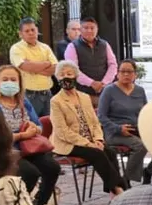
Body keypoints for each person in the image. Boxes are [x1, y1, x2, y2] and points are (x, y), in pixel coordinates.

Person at [0, 65, 61, 205]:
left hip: (28, 148)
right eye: (5, 79)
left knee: (52, 168)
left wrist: (34, 128)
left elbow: (39, 126)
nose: (9, 82)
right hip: (5, 150)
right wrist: (21, 135)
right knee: (30, 173)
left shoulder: (23, 102)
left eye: (13, 79)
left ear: (19, 83)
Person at [50, 61, 125, 196]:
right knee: (97, 154)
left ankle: (113, 192)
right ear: (57, 78)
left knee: (110, 152)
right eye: (62, 75)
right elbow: (62, 132)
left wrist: (98, 140)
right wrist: (89, 144)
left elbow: (95, 122)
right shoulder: (56, 101)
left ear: (76, 76)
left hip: (90, 140)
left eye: (69, 74)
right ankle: (119, 189)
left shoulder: (84, 97)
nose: (66, 77)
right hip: (68, 143)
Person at [98, 59, 152, 185]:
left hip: (136, 128)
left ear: (135, 74)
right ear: (117, 74)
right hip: (114, 131)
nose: (126, 75)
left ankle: (150, 171)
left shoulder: (139, 91)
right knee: (140, 145)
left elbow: (145, 112)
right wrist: (118, 129)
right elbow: (101, 116)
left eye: (129, 72)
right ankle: (125, 180)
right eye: (123, 71)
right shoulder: (109, 90)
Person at [9, 17, 59, 118]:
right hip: (28, 94)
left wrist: (33, 67)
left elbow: (55, 68)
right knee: (31, 126)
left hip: (48, 93)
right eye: (27, 31)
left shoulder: (45, 47)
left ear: (37, 30)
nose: (31, 33)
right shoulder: (16, 48)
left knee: (50, 125)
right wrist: (46, 64)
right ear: (20, 34)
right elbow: (24, 66)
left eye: (33, 30)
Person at [64, 16, 118, 105]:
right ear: (81, 30)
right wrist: (92, 83)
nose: (89, 30)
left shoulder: (104, 45)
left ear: (97, 29)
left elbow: (113, 65)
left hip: (105, 91)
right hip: (83, 93)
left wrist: (104, 83)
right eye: (86, 28)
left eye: (92, 28)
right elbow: (73, 70)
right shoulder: (72, 46)